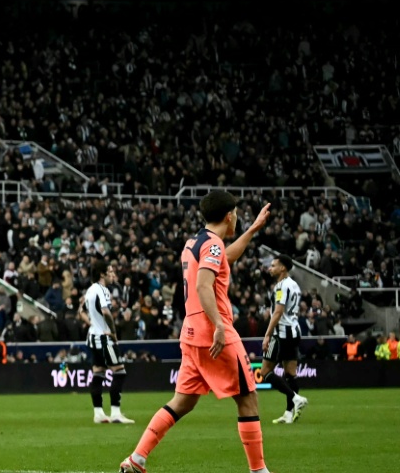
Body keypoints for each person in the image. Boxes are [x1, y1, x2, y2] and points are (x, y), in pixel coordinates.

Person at [119, 191, 272, 473]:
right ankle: (259, 470)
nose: (237, 217)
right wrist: (220, 327)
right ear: (229, 216)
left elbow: (224, 259)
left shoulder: (196, 242)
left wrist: (251, 230)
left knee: (183, 402)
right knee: (248, 398)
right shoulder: (212, 244)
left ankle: (136, 459)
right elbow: (204, 285)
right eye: (237, 214)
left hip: (190, 333)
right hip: (212, 331)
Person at [82, 267, 134, 424]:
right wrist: (113, 332)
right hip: (104, 338)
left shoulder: (90, 290)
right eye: (110, 271)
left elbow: (81, 311)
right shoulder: (102, 290)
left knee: (98, 372)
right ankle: (116, 412)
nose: (114, 274)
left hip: (92, 337)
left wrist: (93, 324)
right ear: (101, 273)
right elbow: (106, 312)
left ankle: (98, 413)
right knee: (120, 372)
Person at [263, 254, 309, 424]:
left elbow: (278, 312)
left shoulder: (281, 287)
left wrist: (267, 335)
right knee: (290, 374)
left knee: (265, 371)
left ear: (283, 268)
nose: (270, 268)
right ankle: (289, 414)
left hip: (282, 333)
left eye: (274, 265)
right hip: (294, 332)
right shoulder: (295, 285)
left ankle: (295, 398)